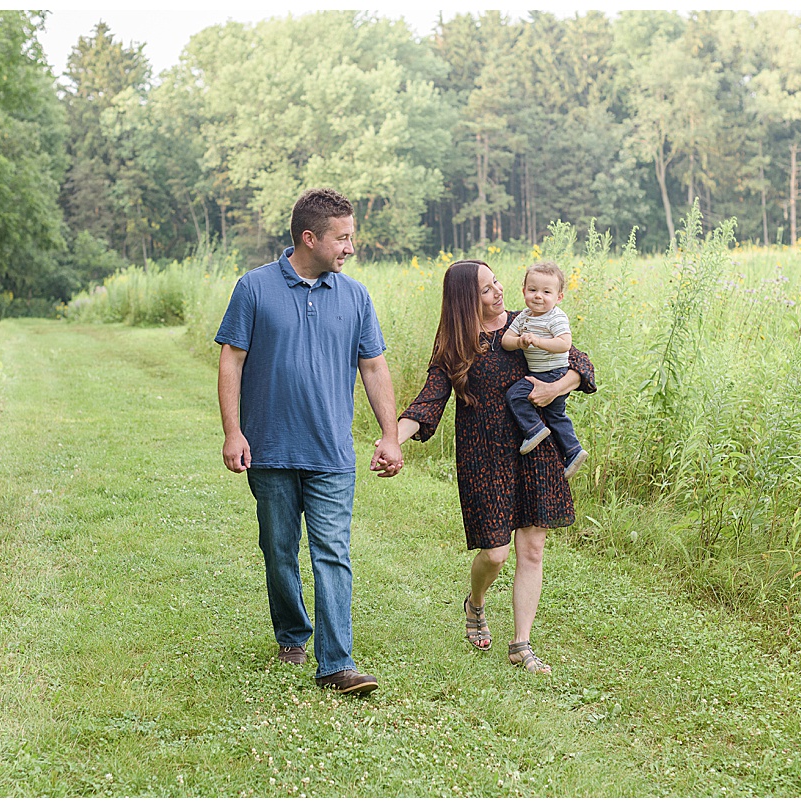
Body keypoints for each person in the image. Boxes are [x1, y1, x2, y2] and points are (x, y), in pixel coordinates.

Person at [215, 188, 403, 696]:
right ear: (309, 237)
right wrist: (233, 432)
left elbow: (373, 366)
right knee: (279, 550)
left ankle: (336, 663)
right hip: (270, 450)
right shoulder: (253, 288)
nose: (349, 247)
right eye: (342, 238)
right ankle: (292, 634)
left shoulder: (356, 295)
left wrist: (390, 434)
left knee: (332, 551)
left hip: (332, 454)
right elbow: (231, 360)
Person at [392, 259, 595, 674]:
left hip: (536, 447)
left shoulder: (531, 321)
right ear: (467, 299)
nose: (498, 291)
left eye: (497, 281)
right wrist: (391, 439)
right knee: (496, 553)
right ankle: (476, 602)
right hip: (483, 455)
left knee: (532, 548)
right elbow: (429, 400)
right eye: (486, 289)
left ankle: (521, 645)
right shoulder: (455, 344)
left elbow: (581, 365)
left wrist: (555, 387)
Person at [500, 261, 588, 481]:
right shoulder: (524, 317)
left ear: (559, 297)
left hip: (553, 372)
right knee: (556, 415)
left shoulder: (556, 317)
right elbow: (505, 341)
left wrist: (538, 341)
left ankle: (534, 430)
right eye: (532, 290)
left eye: (546, 292)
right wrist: (520, 342)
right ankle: (573, 451)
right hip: (542, 372)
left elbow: (564, 344)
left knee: (515, 395)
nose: (538, 296)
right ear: (523, 292)